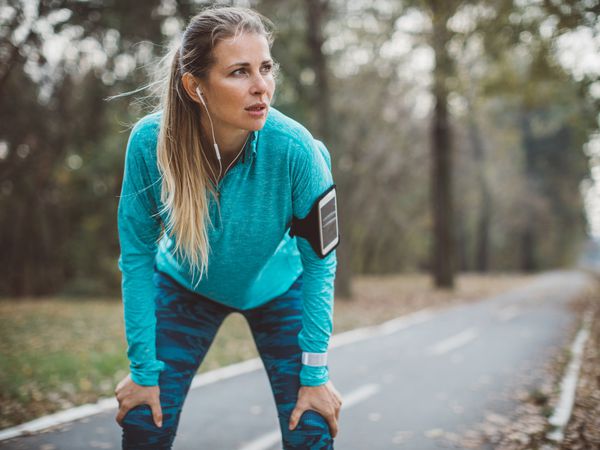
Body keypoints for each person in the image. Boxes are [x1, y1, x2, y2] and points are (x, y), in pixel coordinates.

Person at [113, 5, 342, 449]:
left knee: (312, 423)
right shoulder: (149, 144)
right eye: (239, 72)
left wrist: (316, 375)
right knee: (144, 420)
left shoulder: (298, 150)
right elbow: (137, 256)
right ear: (195, 87)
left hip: (280, 289)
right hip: (185, 286)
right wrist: (143, 373)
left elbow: (320, 265)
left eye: (266, 68)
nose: (262, 87)